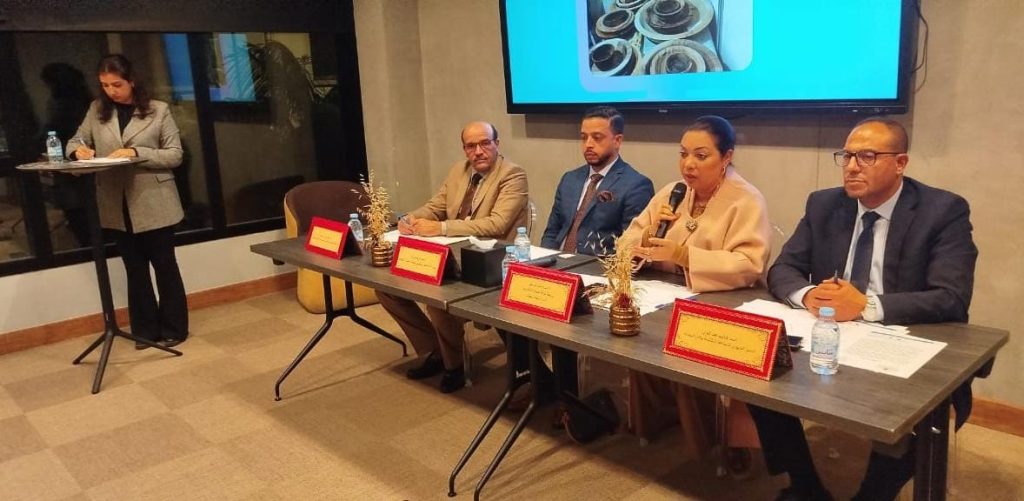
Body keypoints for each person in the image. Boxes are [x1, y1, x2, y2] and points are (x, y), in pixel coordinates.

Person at [749, 118, 979, 501]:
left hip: (901, 338)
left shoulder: (942, 211)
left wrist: (867, 305)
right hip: (830, 334)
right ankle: (806, 486)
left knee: (918, 413)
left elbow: (951, 296)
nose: (852, 166)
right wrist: (809, 295)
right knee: (758, 370)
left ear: (900, 162)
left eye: (867, 156)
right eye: (847, 156)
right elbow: (784, 269)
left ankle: (872, 496)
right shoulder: (824, 204)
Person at [618, 115, 771, 466]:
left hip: (720, 301)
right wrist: (648, 237)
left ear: (727, 156)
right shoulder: (672, 193)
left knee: (684, 346)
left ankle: (712, 441)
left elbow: (750, 264)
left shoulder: (746, 200)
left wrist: (684, 255)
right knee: (634, 336)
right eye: (683, 154)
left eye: (701, 156)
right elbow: (627, 241)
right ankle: (655, 419)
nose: (688, 164)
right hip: (664, 296)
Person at [376, 121, 528, 393]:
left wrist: (442, 228)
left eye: (485, 143)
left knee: (436, 298)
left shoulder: (513, 174)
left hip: (488, 260)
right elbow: (435, 206)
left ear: (497, 144)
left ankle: (454, 365)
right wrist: (410, 218)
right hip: (447, 253)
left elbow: (496, 224)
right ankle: (434, 350)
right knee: (388, 289)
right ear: (464, 149)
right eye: (471, 146)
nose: (478, 151)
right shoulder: (459, 170)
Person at [66, 54, 188, 350]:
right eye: (105, 85)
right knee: (135, 269)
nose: (111, 91)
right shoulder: (97, 110)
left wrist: (136, 153)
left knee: (165, 267)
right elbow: (74, 141)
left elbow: (175, 155)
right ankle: (145, 331)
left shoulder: (158, 110)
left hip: (155, 201)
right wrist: (77, 152)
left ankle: (174, 328)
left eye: (117, 84)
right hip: (115, 202)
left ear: (131, 81)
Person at [541, 106, 654, 255]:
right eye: (584, 137)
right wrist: (545, 260)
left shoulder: (636, 186)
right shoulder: (569, 179)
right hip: (556, 261)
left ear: (617, 141)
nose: (588, 144)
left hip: (597, 265)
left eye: (597, 138)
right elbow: (552, 231)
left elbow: (631, 247)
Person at [39, 63, 93, 247]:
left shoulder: (64, 105)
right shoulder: (84, 100)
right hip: (75, 163)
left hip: (73, 163)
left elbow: (54, 129)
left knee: (78, 213)